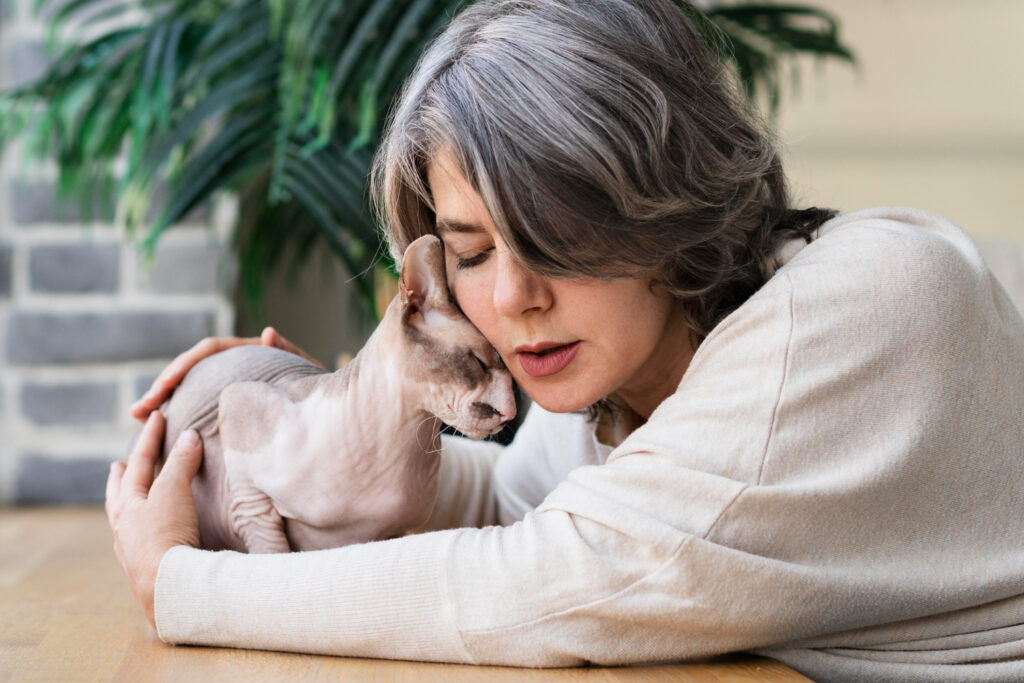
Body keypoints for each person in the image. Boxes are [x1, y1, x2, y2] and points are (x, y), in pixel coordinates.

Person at [106, 0, 1024, 680]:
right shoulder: (619, 377)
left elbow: (549, 582)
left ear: (662, 193)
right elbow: (506, 505)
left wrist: (181, 585)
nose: (511, 296)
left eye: (553, 239)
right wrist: (343, 407)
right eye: (469, 251)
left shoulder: (860, 305)